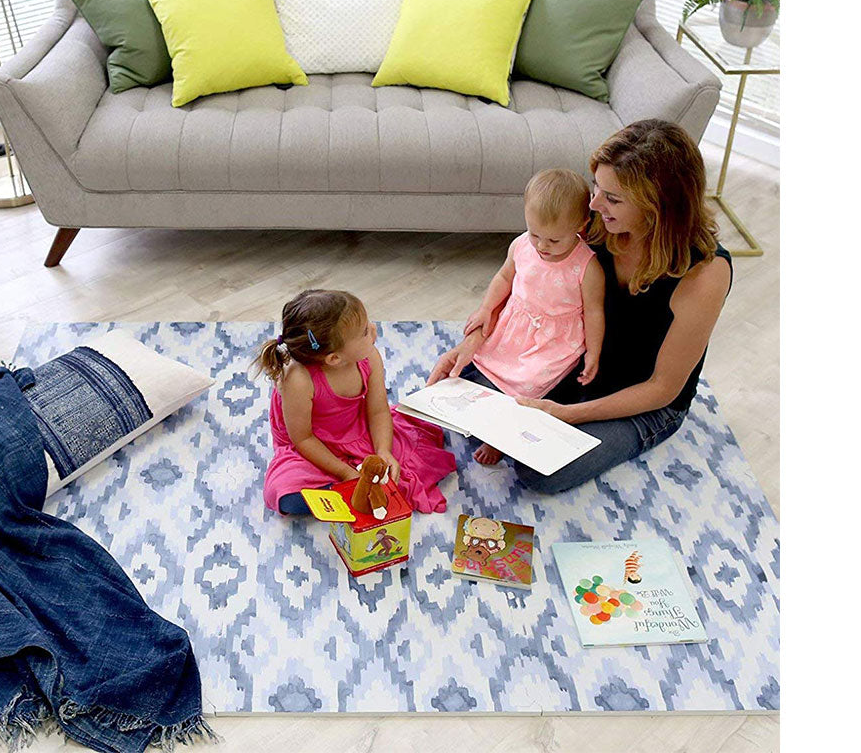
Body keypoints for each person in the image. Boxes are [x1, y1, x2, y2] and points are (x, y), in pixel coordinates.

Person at [428, 119, 733, 494]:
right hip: (575, 365)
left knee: (540, 471)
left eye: (613, 198)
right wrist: (471, 344)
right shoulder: (597, 224)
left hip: (642, 401)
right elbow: (523, 278)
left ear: (658, 205)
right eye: (596, 188)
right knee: (463, 392)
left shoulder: (704, 272)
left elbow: (663, 388)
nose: (593, 204)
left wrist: (567, 415)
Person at [257, 289, 456, 515]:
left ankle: (351, 491)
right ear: (334, 358)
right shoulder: (298, 380)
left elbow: (379, 411)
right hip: (312, 445)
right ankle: (343, 490)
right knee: (284, 494)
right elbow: (303, 438)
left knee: (412, 461)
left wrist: (384, 451)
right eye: (363, 332)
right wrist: (345, 473)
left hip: (358, 429)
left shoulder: (369, 357)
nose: (373, 329)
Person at [458, 169, 605, 465]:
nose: (541, 246)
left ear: (581, 225)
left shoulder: (586, 267)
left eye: (553, 240)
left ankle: (500, 437)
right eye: (534, 233)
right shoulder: (522, 245)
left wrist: (594, 352)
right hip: (517, 323)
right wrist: (487, 308)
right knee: (481, 364)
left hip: (552, 341)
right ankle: (481, 404)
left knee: (527, 384)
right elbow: (504, 277)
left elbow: (594, 312)